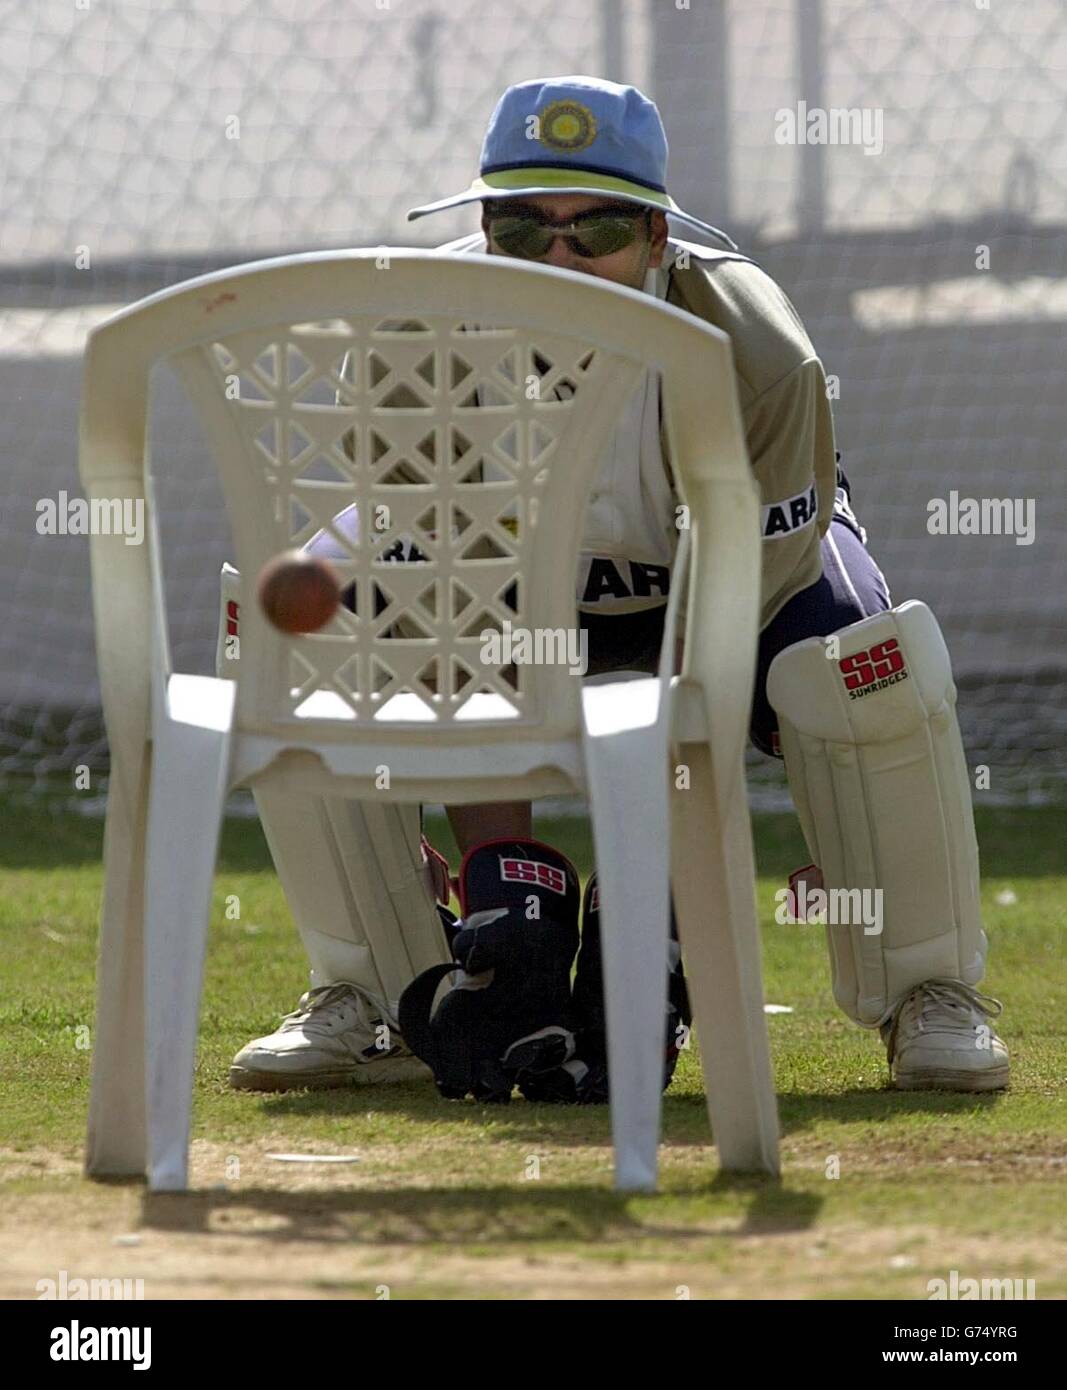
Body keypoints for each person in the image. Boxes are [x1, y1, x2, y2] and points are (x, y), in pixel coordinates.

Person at [229, 75, 1008, 1101]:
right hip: (507, 590)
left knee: (863, 677)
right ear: (480, 226)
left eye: (592, 227)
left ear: (655, 236)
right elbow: (451, 612)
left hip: (727, 577)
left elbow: (729, 616)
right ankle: (377, 987)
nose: (557, 258)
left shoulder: (757, 351)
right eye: (520, 226)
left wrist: (658, 883)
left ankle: (928, 990)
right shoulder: (411, 344)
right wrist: (504, 885)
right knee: (289, 635)